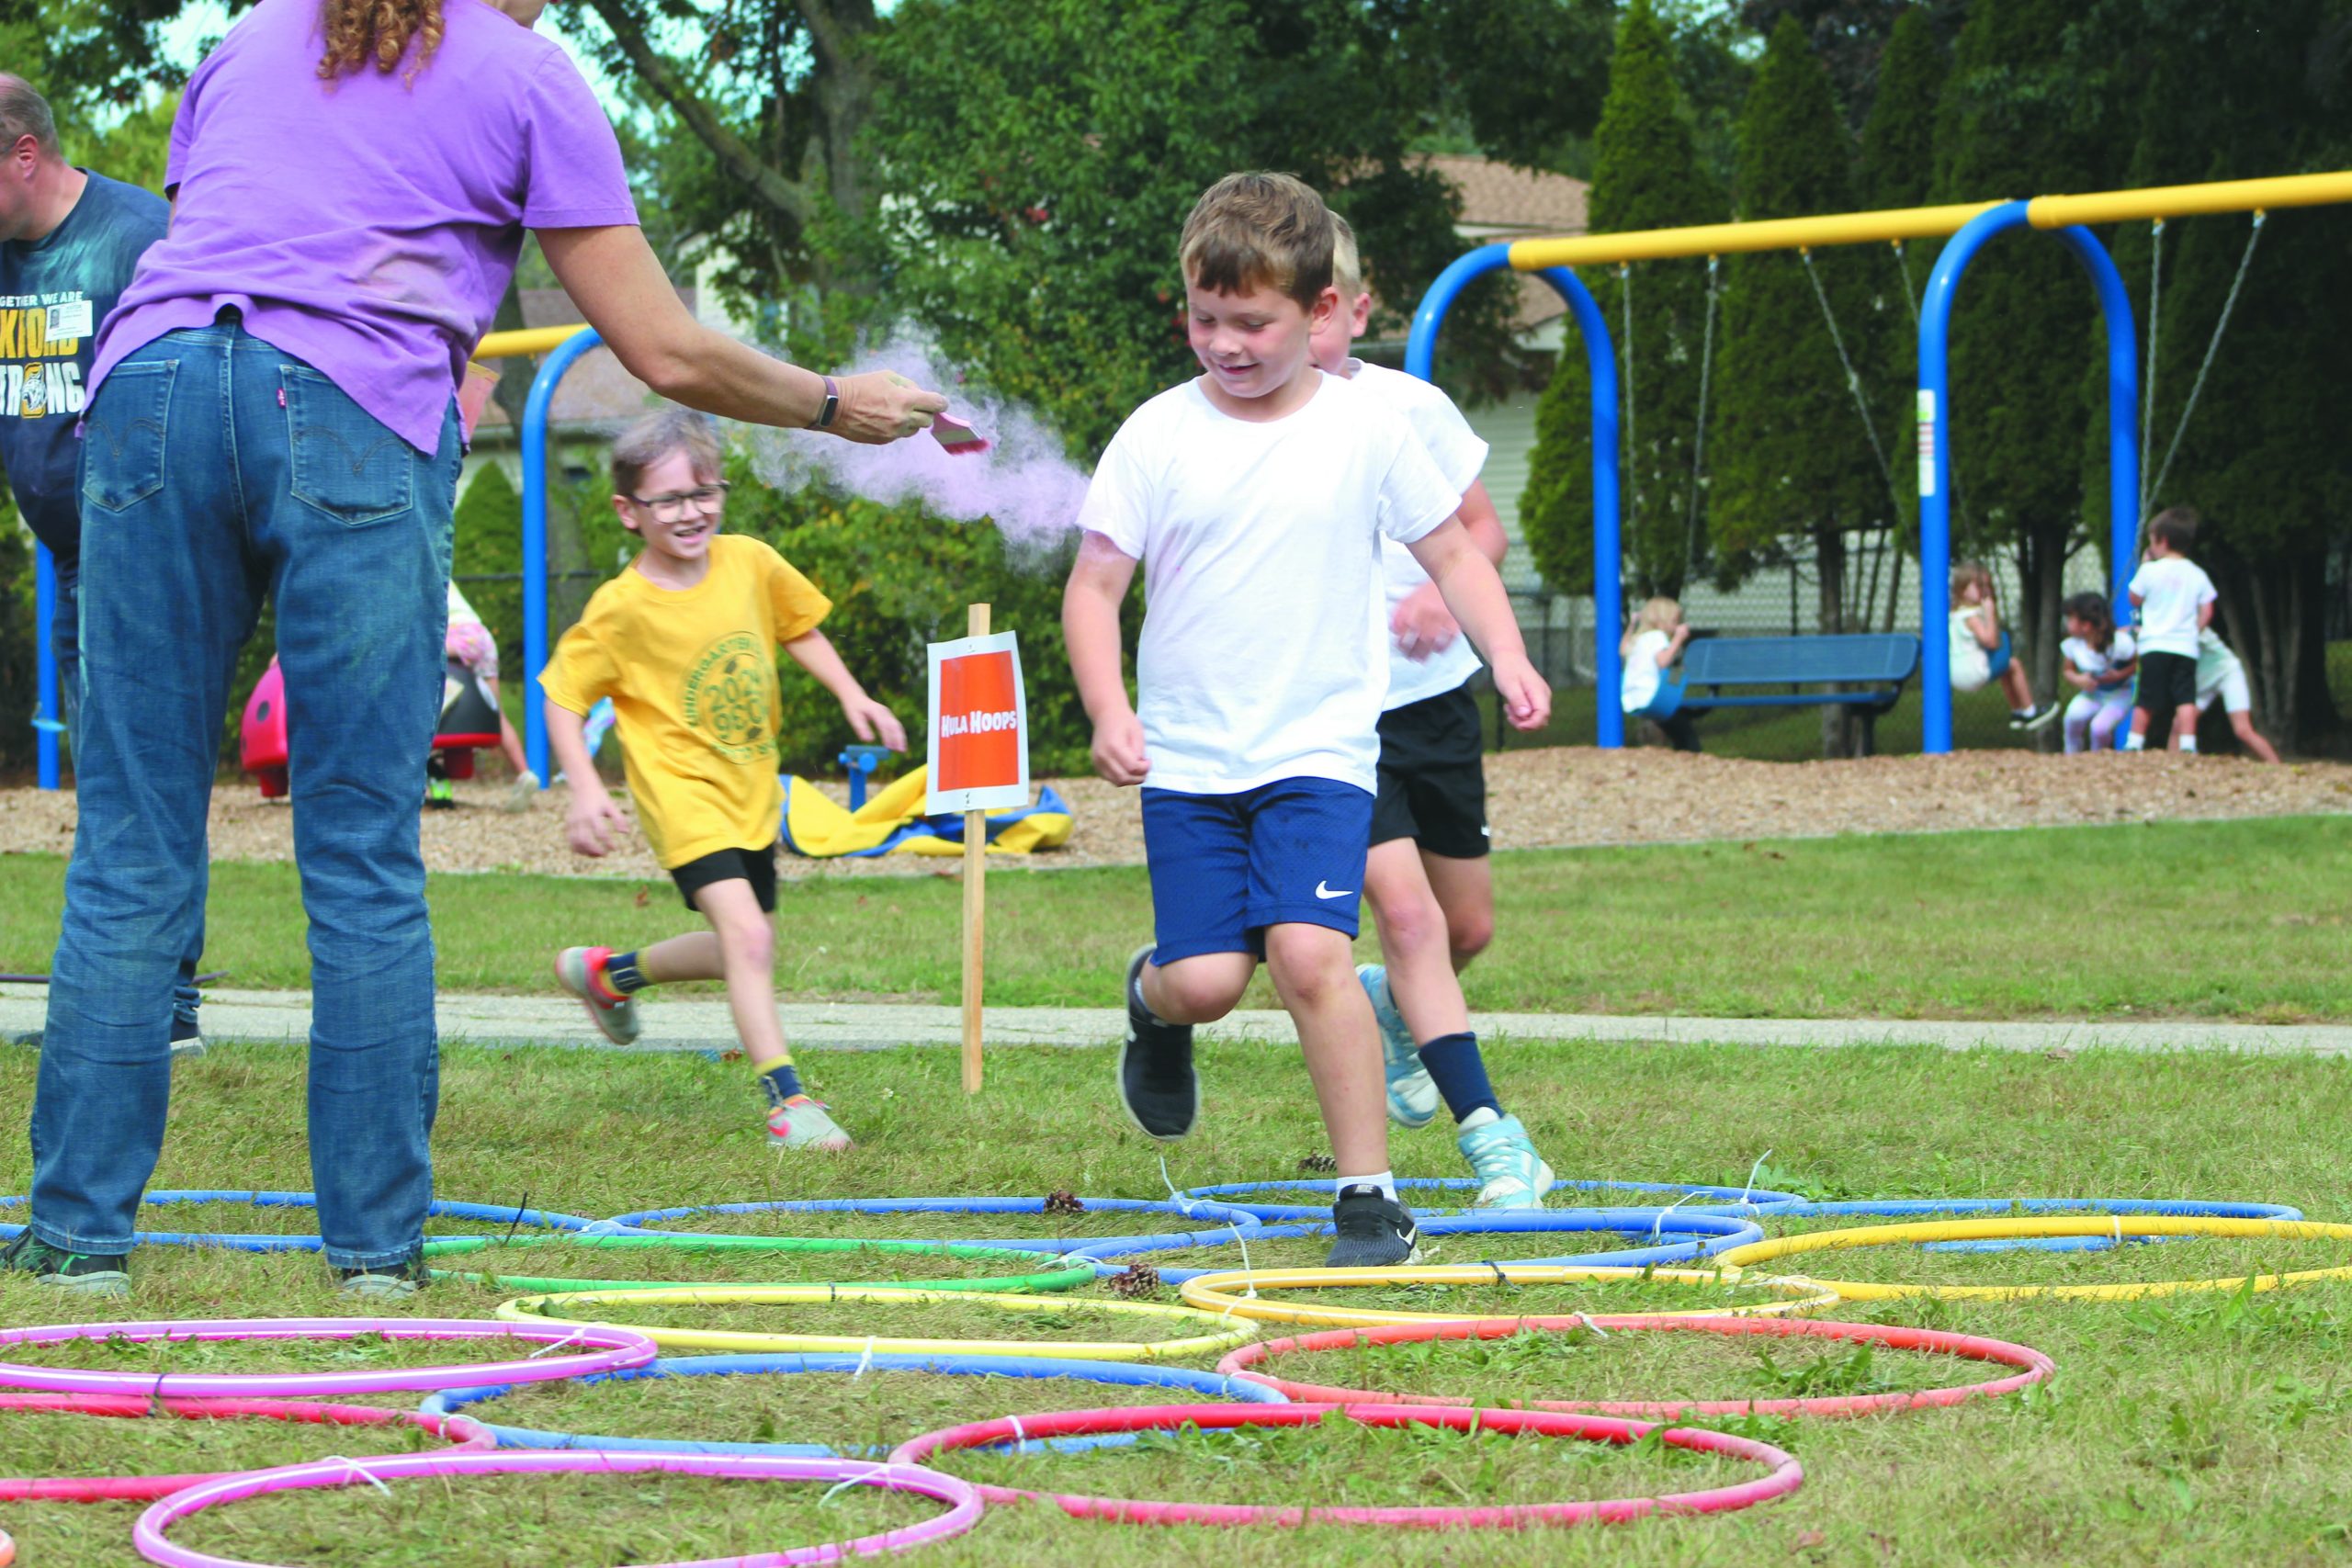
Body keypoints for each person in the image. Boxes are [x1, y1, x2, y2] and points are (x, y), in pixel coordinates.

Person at [6, 0, 944, 1300]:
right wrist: (837, 403)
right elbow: (661, 346)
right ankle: (376, 1257)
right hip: (347, 405)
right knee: (358, 848)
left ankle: (75, 1243)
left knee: (131, 837)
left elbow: (225, 252)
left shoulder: (246, 42)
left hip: (148, 395)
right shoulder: (525, 72)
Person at [1063, 172, 1551, 1268]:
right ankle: (1151, 1008)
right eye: (1204, 319)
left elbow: (1450, 551)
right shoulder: (1156, 434)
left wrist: (1505, 654)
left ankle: (1368, 1199)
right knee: (1205, 983)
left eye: (1252, 322)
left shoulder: (1367, 429)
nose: (1225, 344)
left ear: (1318, 310)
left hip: (1321, 754)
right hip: (1191, 761)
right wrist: (1109, 709)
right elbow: (1094, 588)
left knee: (1310, 958)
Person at [542, 409, 902, 1151]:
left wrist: (851, 692)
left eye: (706, 491)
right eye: (669, 499)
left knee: (748, 941)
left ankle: (610, 975)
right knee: (746, 935)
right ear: (628, 512)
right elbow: (562, 695)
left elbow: (796, 623)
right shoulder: (621, 608)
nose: (692, 510)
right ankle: (789, 1102)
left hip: (749, 790)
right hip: (681, 797)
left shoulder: (749, 560)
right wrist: (584, 787)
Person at [1305, 215, 1554, 1210]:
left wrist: (1430, 596)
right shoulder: (1254, 425)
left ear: (1358, 313)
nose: (1305, 338)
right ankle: (1495, 1141)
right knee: (1406, 919)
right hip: (1336, 724)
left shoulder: (1412, 407)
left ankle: (1397, 1008)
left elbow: (1479, 531)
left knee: (1465, 926)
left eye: (1325, 316)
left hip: (1434, 705)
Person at [0, 75, 208, 1059]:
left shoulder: (140, 238)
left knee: (143, 769)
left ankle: (165, 1003)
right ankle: (140, 990)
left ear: (25, 156)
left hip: (151, 542)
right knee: (111, 775)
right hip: (72, 552)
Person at [437, 579, 537, 810]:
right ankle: (524, 774)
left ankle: (447, 698)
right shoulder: (440, 565)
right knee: (496, 714)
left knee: (417, 656)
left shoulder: (419, 567)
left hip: (455, 635)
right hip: (480, 637)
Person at [2125, 508, 2217, 753]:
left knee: (2146, 697)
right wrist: (2192, 631)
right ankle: (2188, 744)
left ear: (2162, 541)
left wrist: (2144, 565)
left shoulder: (2150, 570)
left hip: (2154, 643)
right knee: (2185, 698)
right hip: (2185, 646)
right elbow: (2207, 611)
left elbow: (2134, 598)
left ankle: (2134, 742)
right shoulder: (2197, 573)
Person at [1949, 562, 2059, 731]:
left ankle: (2017, 713)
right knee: (2013, 664)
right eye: (1979, 586)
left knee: (2005, 668)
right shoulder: (1972, 616)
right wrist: (1990, 613)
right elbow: (1991, 641)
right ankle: (2030, 711)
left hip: (1956, 674)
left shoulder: (1955, 614)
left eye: (1987, 585)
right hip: (1973, 672)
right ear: (1962, 589)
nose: (1985, 590)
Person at [2057, 592, 2136, 755]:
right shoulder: (2073, 646)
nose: (2068, 624)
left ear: (2086, 625)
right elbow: (2068, 671)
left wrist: (2120, 675)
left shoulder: (2120, 643)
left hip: (2119, 695)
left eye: (2071, 619)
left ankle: (2098, 760)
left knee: (2099, 729)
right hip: (2092, 695)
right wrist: (2079, 679)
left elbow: (2137, 663)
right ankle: (2071, 755)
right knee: (2073, 717)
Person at [1621, 596, 1700, 753]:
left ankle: (1680, 750)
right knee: (1685, 729)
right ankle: (1691, 753)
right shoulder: (1658, 637)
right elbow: (1663, 661)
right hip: (1652, 697)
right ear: (1661, 621)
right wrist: (1678, 638)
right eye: (1674, 621)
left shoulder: (1638, 639)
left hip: (1631, 698)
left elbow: (1622, 650)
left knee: (1677, 720)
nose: (1676, 625)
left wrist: (1631, 626)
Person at [2193, 626, 2281, 763]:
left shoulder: (2194, 627)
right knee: (2180, 723)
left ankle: (2277, 766)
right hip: (2204, 680)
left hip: (2228, 673)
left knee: (2243, 730)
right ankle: (2173, 762)